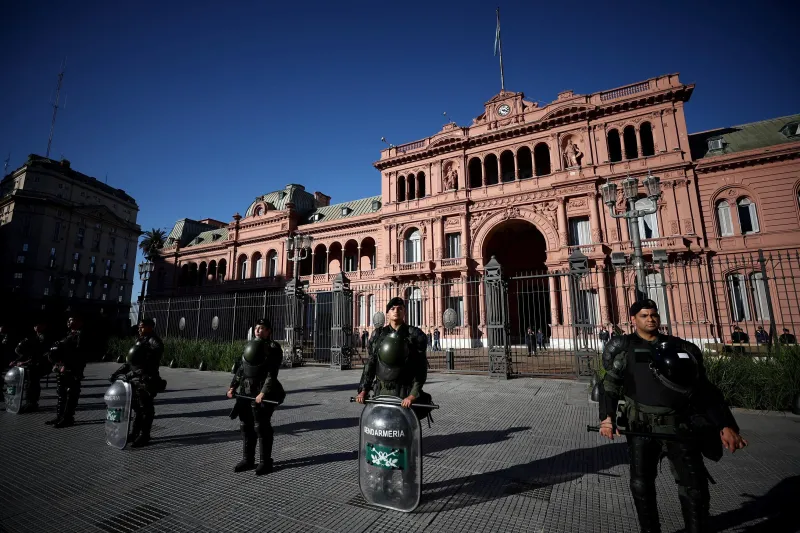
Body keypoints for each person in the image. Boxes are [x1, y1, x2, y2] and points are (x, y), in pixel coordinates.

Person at [598, 300, 747, 532]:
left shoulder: (679, 347)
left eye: (654, 315)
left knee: (694, 486)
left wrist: (725, 425)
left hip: (679, 426)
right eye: (644, 315)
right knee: (641, 485)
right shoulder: (625, 348)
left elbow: (703, 389)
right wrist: (607, 419)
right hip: (642, 427)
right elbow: (609, 385)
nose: (650, 319)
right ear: (634, 320)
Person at [227, 318, 284, 475]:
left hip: (262, 393)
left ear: (269, 331)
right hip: (246, 391)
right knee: (246, 425)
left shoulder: (273, 347)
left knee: (261, 426)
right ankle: (248, 459)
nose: (259, 330)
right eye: (257, 328)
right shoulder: (250, 345)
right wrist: (233, 386)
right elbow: (241, 368)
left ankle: (265, 462)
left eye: (263, 328)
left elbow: (272, 374)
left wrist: (263, 393)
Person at [356, 297, 430, 416]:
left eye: (400, 308)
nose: (396, 311)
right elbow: (371, 364)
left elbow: (420, 368)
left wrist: (412, 395)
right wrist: (363, 390)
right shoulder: (378, 335)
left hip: (404, 393)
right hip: (381, 392)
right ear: (388, 313)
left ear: (404, 312)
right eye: (392, 308)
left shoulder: (414, 335)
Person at [109, 318, 164, 447]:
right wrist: (117, 373)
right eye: (139, 326)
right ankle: (135, 433)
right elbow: (131, 361)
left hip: (145, 379)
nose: (139, 329)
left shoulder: (153, 340)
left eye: (142, 327)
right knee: (138, 409)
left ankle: (144, 436)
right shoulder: (140, 341)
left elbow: (156, 352)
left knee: (146, 409)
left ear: (150, 327)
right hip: (135, 379)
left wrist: (145, 359)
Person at [46, 314, 86, 428]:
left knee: (70, 394)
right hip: (62, 367)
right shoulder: (68, 334)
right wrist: (57, 363)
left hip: (73, 369)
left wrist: (69, 365)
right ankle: (60, 416)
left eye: (71, 320)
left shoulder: (81, 335)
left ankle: (68, 418)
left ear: (79, 322)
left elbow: (79, 354)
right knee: (61, 393)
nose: (68, 322)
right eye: (68, 320)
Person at [11, 317, 54, 413]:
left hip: (43, 364)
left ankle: (32, 403)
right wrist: (17, 360)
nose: (36, 327)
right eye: (35, 325)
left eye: (38, 325)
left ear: (44, 326)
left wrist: (24, 362)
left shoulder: (45, 337)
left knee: (32, 380)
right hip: (35, 363)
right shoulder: (35, 337)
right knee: (29, 380)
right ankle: (29, 401)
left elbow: (41, 354)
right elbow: (28, 353)